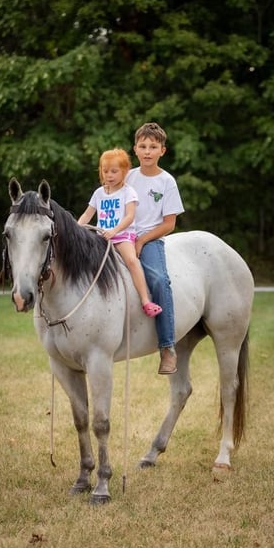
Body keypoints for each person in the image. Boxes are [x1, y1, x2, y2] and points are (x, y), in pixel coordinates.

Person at [126, 122, 185, 375]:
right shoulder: (128, 177)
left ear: (163, 150)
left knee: (160, 280)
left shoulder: (166, 182)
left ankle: (167, 347)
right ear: (135, 149)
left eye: (153, 147)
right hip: (121, 235)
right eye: (143, 146)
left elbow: (169, 224)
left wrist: (141, 241)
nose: (147, 151)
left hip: (149, 239)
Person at [78, 148, 163, 319]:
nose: (109, 175)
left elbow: (130, 216)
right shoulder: (99, 193)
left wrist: (114, 231)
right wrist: (77, 227)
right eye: (105, 171)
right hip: (101, 238)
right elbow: (88, 214)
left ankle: (146, 300)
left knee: (132, 261)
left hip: (122, 236)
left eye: (114, 171)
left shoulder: (128, 192)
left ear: (124, 171)